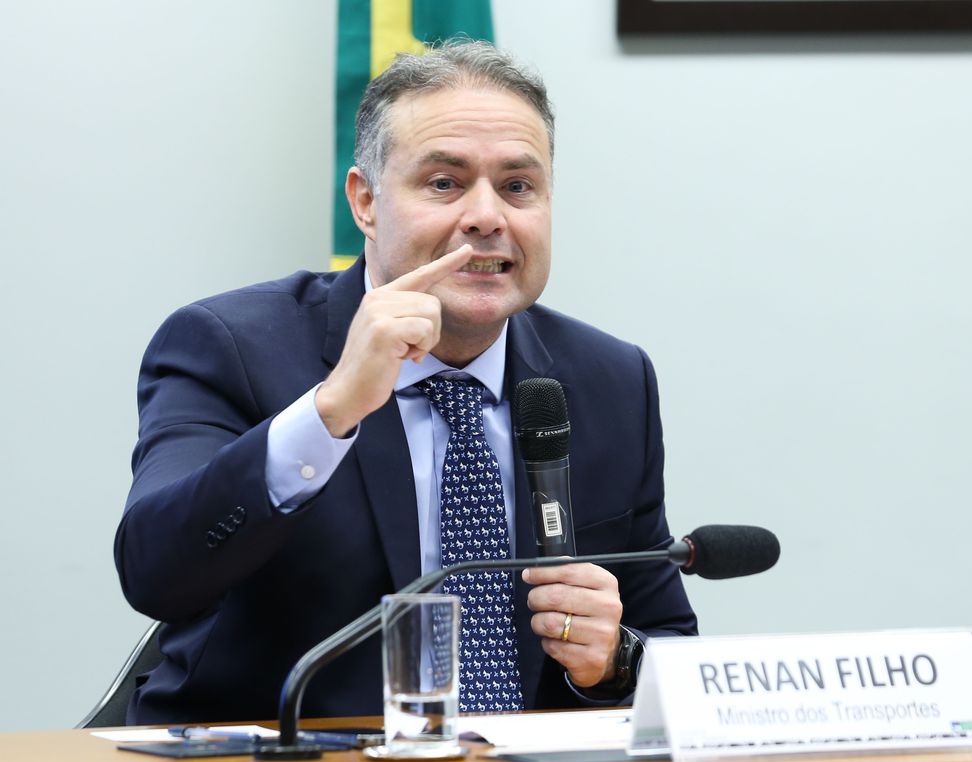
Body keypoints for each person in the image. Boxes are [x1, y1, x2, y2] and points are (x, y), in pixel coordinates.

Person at [115, 40, 697, 726]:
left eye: (518, 186)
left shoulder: (609, 379)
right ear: (365, 202)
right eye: (444, 183)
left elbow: (666, 644)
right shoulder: (231, 346)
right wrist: (331, 410)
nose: (487, 217)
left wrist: (613, 661)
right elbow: (156, 571)